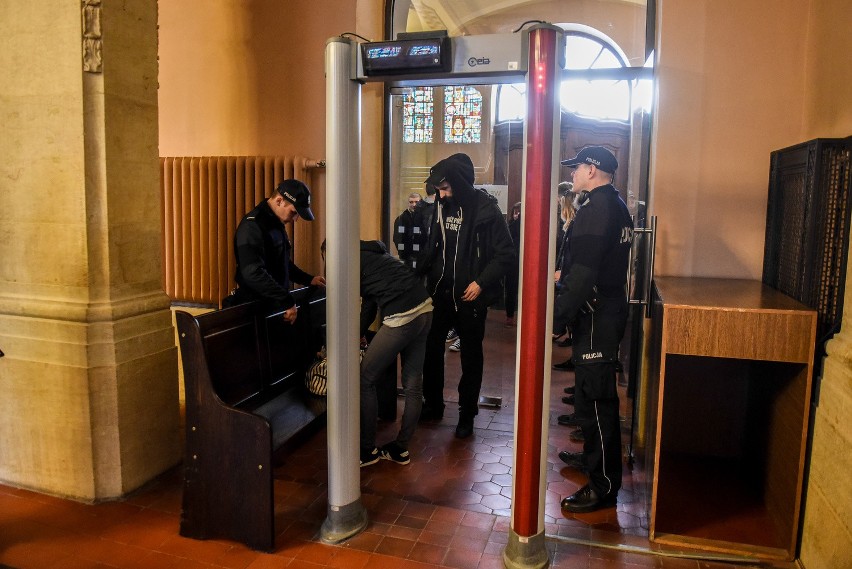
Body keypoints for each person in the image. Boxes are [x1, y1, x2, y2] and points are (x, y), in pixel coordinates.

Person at [552, 146, 633, 514]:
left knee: (599, 401)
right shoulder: (612, 204)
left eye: (577, 167)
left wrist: (555, 317)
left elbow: (584, 273)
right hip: (604, 313)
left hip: (598, 316)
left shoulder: (598, 210)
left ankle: (603, 486)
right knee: (588, 395)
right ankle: (592, 460)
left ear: (592, 170)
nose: (573, 173)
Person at [417, 153, 515, 439]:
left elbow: (506, 254)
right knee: (431, 351)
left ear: (459, 184)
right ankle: (433, 404)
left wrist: (481, 283)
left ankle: (466, 414)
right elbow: (433, 247)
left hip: (470, 298)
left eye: (446, 188)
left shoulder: (486, 210)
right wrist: (415, 278)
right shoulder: (440, 206)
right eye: (439, 189)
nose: (441, 194)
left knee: (471, 357)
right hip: (439, 293)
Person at [358, 240, 433, 467]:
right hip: (425, 308)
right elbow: (371, 300)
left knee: (365, 379)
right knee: (413, 385)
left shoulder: (351, 262)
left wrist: (355, 335)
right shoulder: (376, 254)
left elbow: (369, 308)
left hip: (401, 316)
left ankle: (367, 449)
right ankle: (400, 449)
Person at [225, 179, 326, 323]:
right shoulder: (252, 226)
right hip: (255, 310)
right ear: (279, 201)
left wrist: (308, 279)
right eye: (294, 212)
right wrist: (286, 299)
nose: (295, 219)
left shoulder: (275, 224)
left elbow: (282, 263)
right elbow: (253, 273)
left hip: (272, 306)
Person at [392, 192, 426, 269]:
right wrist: (404, 254)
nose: (414, 205)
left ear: (421, 202)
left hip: (422, 257)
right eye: (411, 202)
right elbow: (397, 239)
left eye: (416, 202)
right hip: (407, 257)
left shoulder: (425, 218)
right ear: (408, 203)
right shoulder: (401, 219)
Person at [504, 202, 522, 327]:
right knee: (510, 290)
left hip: (521, 262)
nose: (517, 215)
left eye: (519, 212)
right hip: (512, 263)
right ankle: (509, 316)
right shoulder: (510, 225)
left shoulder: (517, 226)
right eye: (515, 212)